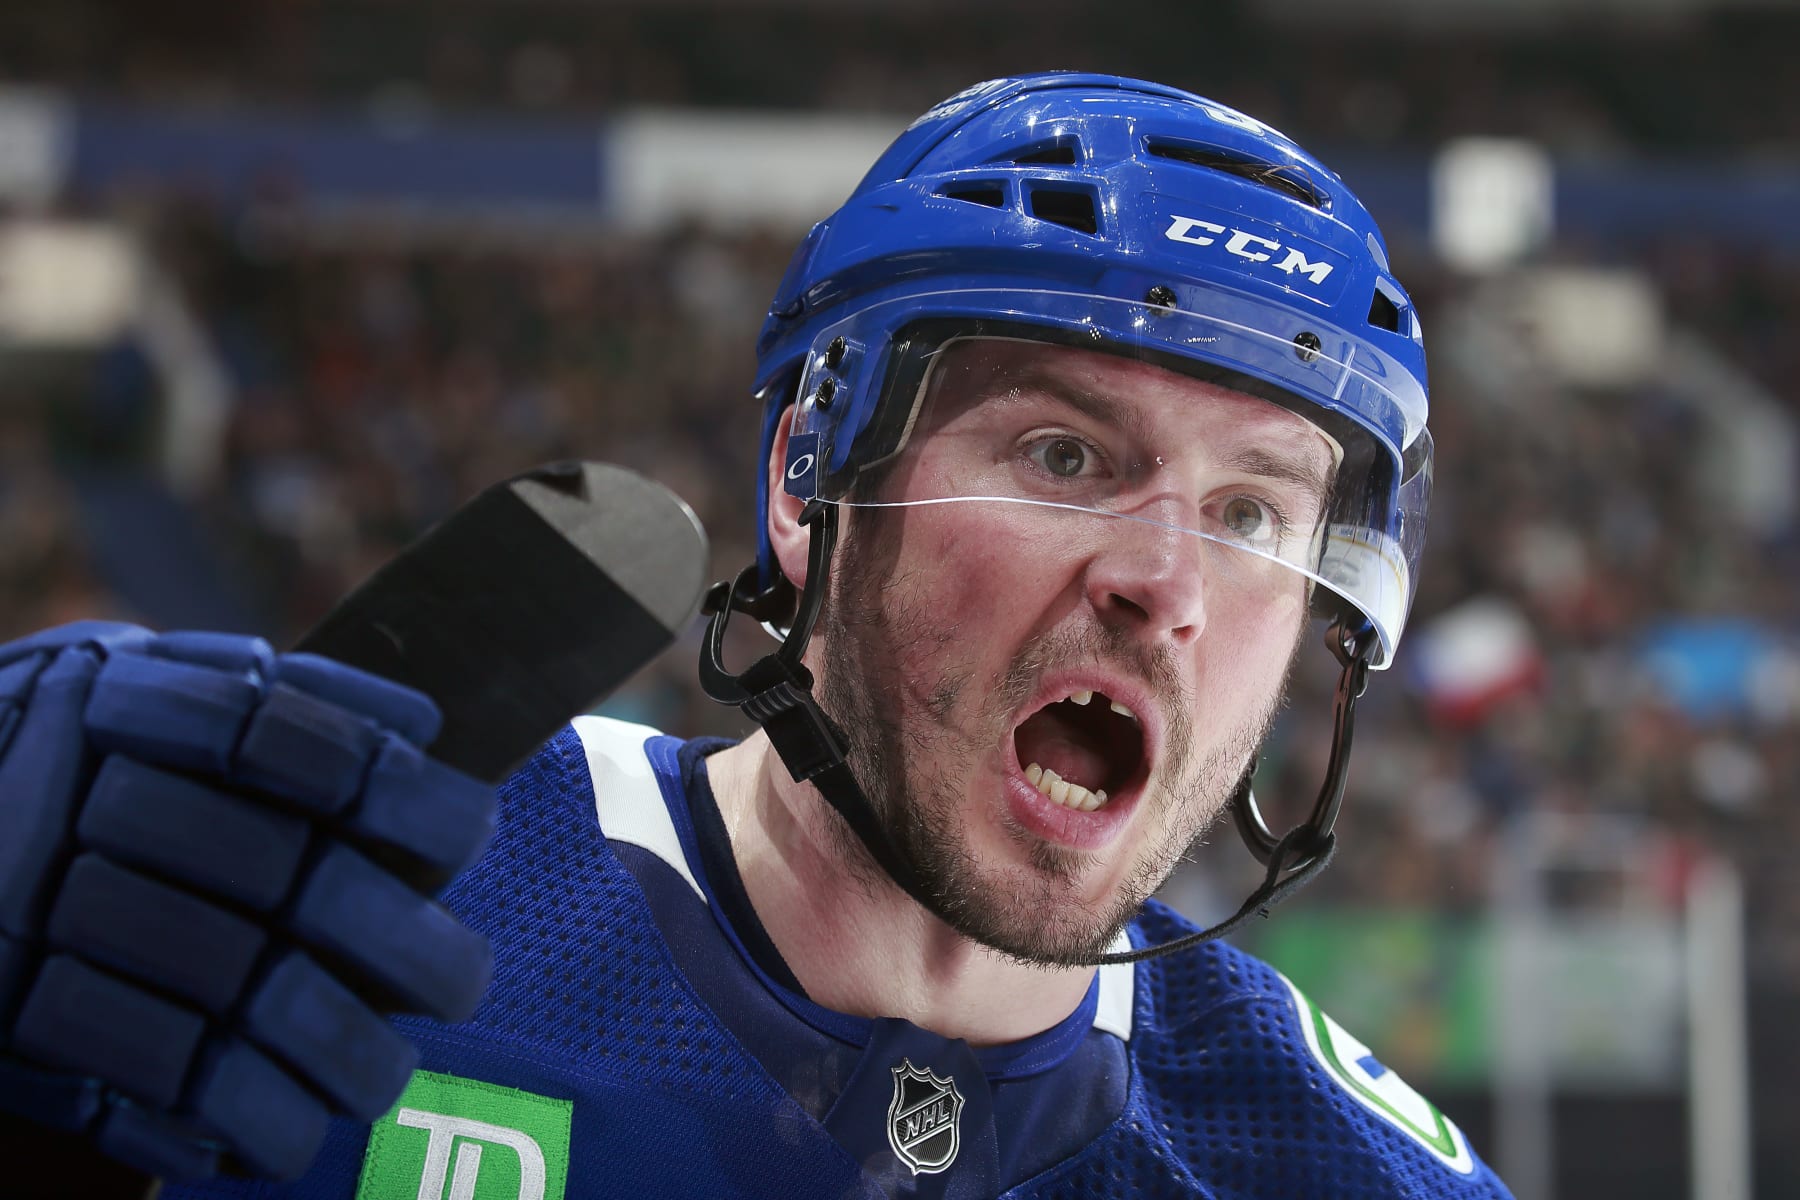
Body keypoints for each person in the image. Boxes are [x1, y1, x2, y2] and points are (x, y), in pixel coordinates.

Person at [0, 73, 1509, 1197]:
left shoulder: (1332, 1165)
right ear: (809, 473)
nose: (1167, 588)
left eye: (1253, 516)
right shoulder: (335, 893)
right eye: (1066, 456)